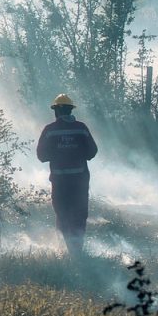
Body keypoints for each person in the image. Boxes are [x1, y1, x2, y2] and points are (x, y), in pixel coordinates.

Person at [36, 93, 97, 257]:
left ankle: (65, 251)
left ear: (56, 111)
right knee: (79, 216)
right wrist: (78, 152)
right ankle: (77, 251)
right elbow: (93, 152)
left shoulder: (49, 130)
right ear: (70, 110)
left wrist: (56, 154)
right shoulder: (81, 128)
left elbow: (41, 156)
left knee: (62, 214)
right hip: (80, 182)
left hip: (60, 182)